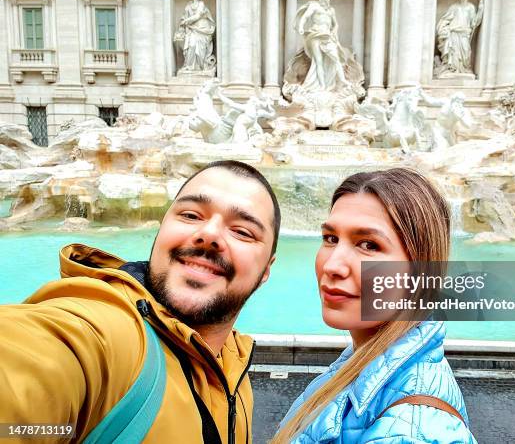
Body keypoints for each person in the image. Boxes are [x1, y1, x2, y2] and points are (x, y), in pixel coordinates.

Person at [0, 160, 280, 443]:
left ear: (266, 269)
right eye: (191, 215)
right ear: (162, 228)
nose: (208, 235)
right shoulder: (102, 335)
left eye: (243, 231)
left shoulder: (235, 367)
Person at [273, 168, 477, 443]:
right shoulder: (367, 360)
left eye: (368, 245)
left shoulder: (412, 431)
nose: (332, 265)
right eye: (331, 239)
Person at [295, 0, 351, 92]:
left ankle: (343, 80)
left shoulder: (331, 10)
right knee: (318, 61)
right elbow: (305, 17)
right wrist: (301, 27)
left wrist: (334, 32)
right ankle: (322, 86)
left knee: (336, 58)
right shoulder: (314, 6)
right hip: (315, 34)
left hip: (327, 36)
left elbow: (335, 24)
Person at [436, 0, 484, 76]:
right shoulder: (454, 7)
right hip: (453, 32)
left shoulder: (470, 7)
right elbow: (446, 19)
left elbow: (474, 22)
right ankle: (452, 69)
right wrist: (443, 27)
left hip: (464, 33)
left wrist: (480, 10)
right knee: (453, 52)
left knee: (466, 51)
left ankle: (464, 69)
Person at [175, 0, 216, 73]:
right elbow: (184, 17)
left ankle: (199, 68)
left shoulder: (201, 4)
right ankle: (189, 66)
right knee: (192, 45)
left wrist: (186, 21)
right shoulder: (188, 6)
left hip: (202, 29)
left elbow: (197, 16)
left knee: (200, 49)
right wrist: (183, 22)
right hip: (191, 30)